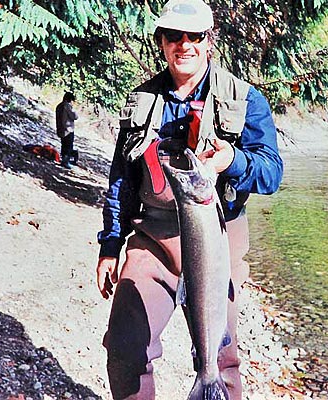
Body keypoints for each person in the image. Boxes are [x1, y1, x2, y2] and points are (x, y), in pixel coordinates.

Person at [95, 0, 284, 398]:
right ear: (161, 42)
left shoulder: (245, 100)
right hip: (155, 239)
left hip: (218, 237)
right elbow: (121, 183)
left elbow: (271, 174)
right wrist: (110, 246)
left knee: (221, 359)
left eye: (195, 36)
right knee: (125, 349)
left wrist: (233, 160)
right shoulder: (142, 102)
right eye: (174, 36)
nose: (185, 45)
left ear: (209, 41)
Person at [56, 91, 78, 169]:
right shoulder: (67, 106)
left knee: (64, 145)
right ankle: (66, 162)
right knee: (69, 147)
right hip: (68, 129)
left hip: (61, 129)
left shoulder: (59, 106)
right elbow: (75, 116)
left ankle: (64, 160)